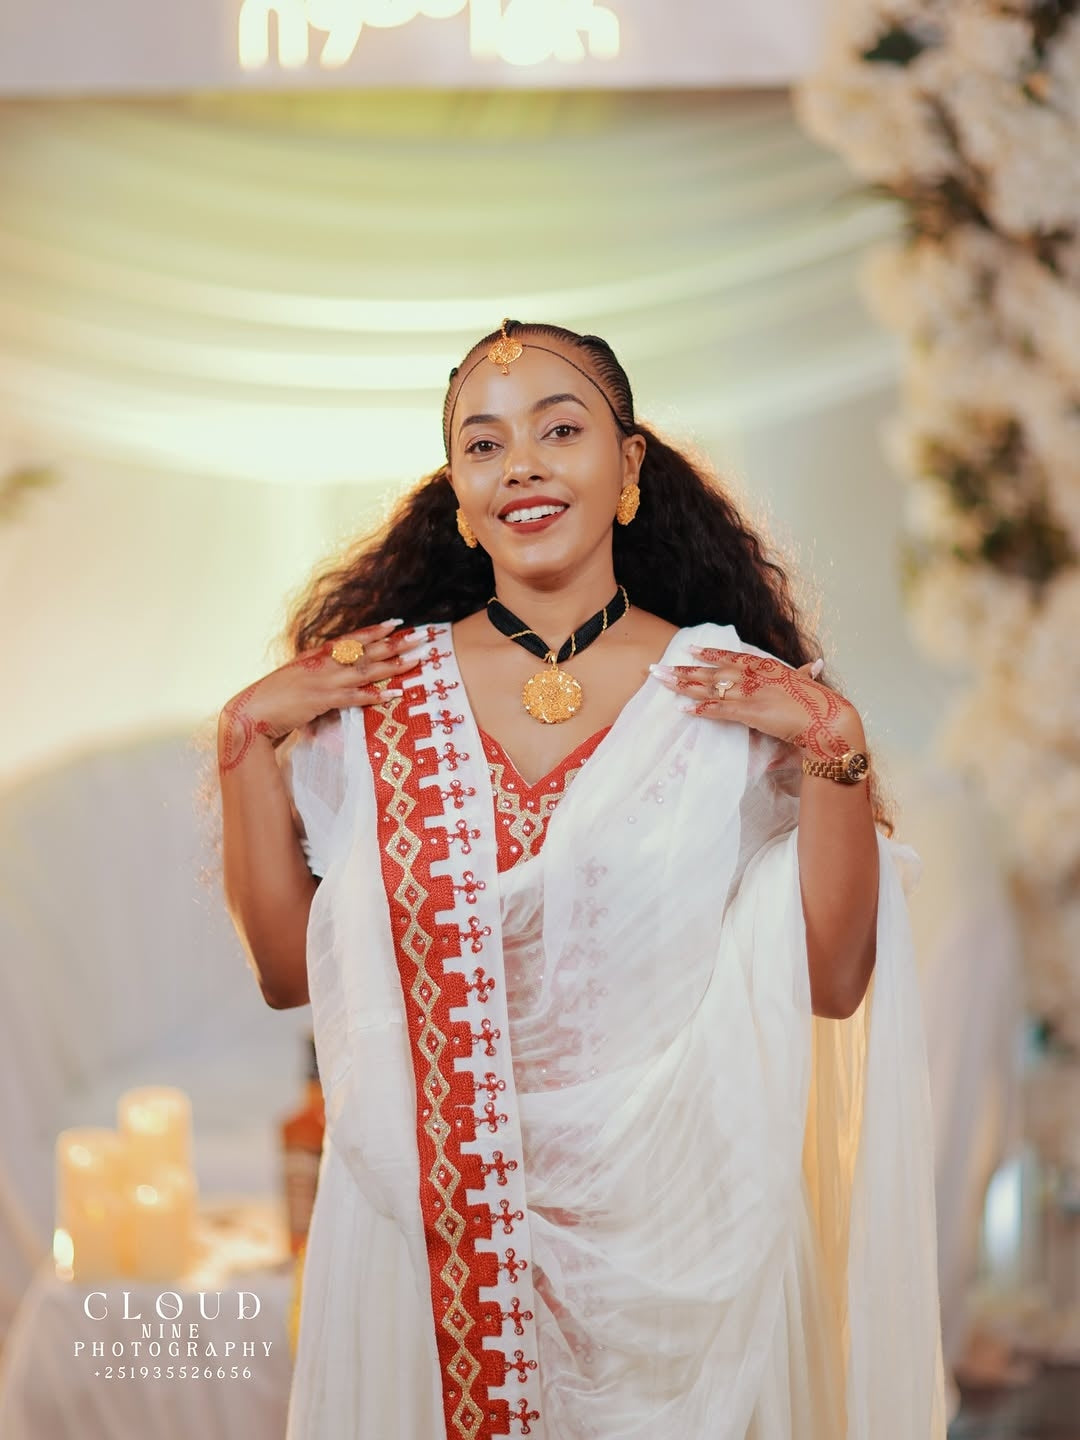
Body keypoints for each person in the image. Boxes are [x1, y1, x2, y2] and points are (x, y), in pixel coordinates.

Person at [216, 320, 946, 1439]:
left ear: (629, 465)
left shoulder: (722, 689)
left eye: (560, 431)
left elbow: (833, 978)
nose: (522, 465)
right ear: (460, 497)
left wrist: (833, 742)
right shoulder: (378, 693)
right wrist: (242, 741)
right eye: (484, 444)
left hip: (676, 1250)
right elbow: (286, 973)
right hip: (431, 1247)